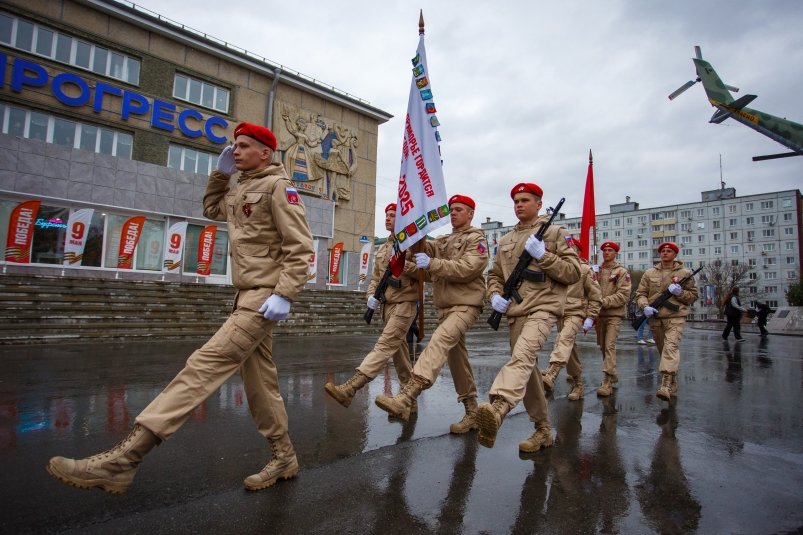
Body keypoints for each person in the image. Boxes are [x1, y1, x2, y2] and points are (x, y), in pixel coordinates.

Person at [46, 122, 315, 493]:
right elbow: (210, 209)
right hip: (246, 296)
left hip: (262, 298)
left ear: (265, 152)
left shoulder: (278, 188)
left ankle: (124, 460)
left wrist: (285, 293)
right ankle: (284, 455)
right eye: (233, 146)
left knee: (203, 366)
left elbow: (300, 247)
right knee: (260, 384)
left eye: (242, 146)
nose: (234, 151)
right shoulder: (241, 188)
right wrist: (220, 176)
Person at [477, 182, 580, 452]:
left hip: (544, 307)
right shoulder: (507, 239)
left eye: (525, 200)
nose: (519, 204)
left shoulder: (557, 232)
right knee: (528, 370)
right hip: (516, 312)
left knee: (522, 357)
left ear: (538, 203)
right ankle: (543, 430)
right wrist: (495, 295)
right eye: (516, 201)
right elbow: (495, 274)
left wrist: (543, 256)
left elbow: (572, 272)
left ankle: (498, 407)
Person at [374, 195, 488, 432]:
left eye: (459, 209)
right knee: (458, 360)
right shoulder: (445, 240)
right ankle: (472, 412)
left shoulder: (477, 238)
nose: (453, 213)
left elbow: (468, 268)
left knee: (439, 341)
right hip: (445, 306)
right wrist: (416, 228)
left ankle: (407, 396)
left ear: (471, 214)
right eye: (451, 210)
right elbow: (421, 249)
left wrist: (433, 264)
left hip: (466, 304)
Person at [324, 203, 417, 410]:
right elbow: (376, 278)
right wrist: (370, 296)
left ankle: (351, 388)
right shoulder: (384, 248)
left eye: (393, 215)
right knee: (399, 354)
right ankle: (409, 401)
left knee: (384, 346)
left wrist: (404, 264)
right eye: (387, 215)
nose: (388, 218)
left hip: (404, 304)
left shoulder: (411, 245)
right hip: (387, 305)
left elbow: (424, 274)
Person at [540, 236, 602, 401]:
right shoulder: (557, 267)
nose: (567, 249)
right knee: (569, 347)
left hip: (575, 312)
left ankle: (552, 373)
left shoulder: (584, 269)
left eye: (571, 247)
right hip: (557, 312)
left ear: (578, 251)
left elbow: (595, 295)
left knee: (565, 338)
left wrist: (591, 316)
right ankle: (578, 383)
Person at [635, 242, 699, 400]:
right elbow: (640, 293)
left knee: (670, 348)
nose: (665, 253)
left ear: (674, 254)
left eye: (669, 251)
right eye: (662, 251)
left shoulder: (684, 273)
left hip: (675, 317)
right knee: (663, 350)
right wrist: (644, 307)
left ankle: (664, 384)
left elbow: (693, 297)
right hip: (655, 317)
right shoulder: (649, 273)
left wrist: (680, 292)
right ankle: (672, 379)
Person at [593, 242, 632, 397]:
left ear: (616, 253)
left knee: (609, 345)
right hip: (599, 315)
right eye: (605, 250)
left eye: (610, 250)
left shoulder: (621, 272)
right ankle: (612, 373)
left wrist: (603, 301)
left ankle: (608, 380)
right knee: (603, 346)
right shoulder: (597, 270)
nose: (607, 252)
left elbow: (623, 295)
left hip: (614, 314)